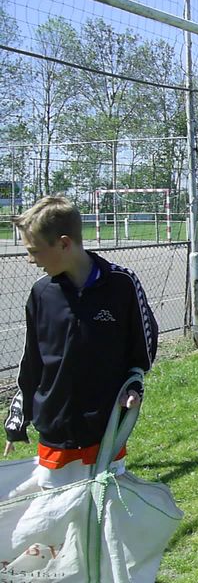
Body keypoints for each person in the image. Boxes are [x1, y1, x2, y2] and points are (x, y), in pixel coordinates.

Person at [4, 196, 158, 489]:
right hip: (55, 431)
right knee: (49, 522)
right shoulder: (41, 294)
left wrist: (134, 385)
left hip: (104, 429)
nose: (30, 259)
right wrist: (19, 417)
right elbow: (32, 361)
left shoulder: (122, 285)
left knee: (98, 519)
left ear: (64, 244)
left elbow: (143, 347)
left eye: (34, 250)